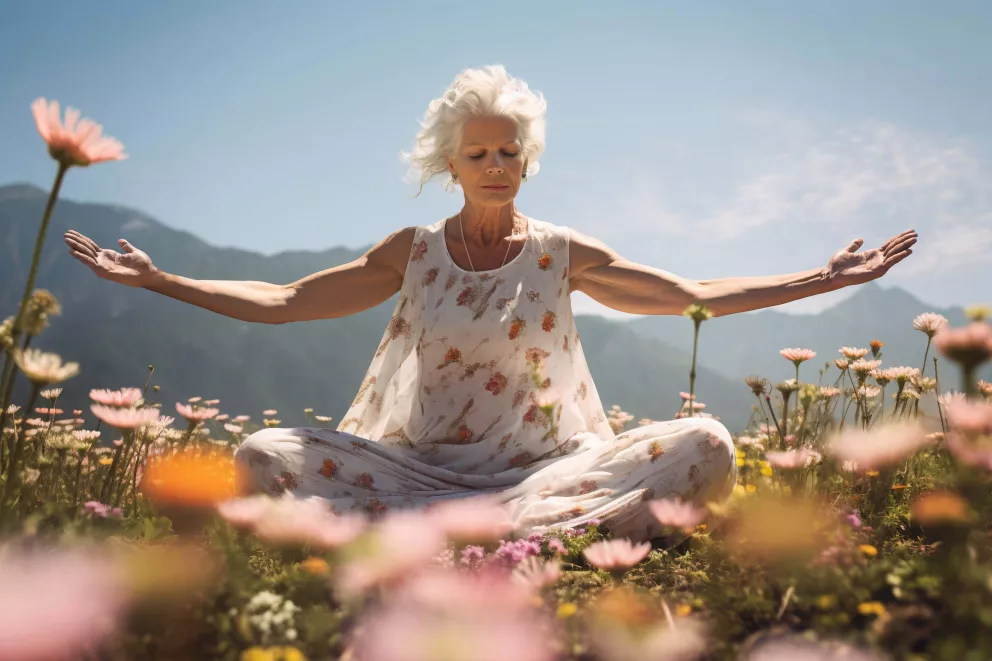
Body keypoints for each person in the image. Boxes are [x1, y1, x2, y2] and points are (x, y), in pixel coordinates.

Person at [63, 65, 917, 541]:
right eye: (479, 152)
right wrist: (162, 279)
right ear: (452, 163)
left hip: (549, 472)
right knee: (256, 452)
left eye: (510, 150)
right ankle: (495, 533)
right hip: (417, 470)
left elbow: (690, 294)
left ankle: (485, 531)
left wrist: (822, 278)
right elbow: (287, 299)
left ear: (527, 160)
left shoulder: (562, 253)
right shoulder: (414, 253)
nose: (497, 164)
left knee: (708, 442)